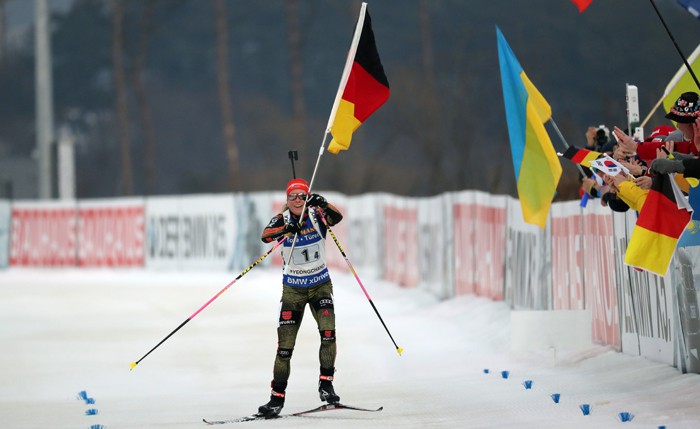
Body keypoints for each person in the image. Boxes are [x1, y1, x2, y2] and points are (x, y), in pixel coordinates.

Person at [257, 178, 344, 418]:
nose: (297, 200)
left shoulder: (317, 216)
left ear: (307, 197)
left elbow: (337, 218)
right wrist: (287, 230)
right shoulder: (282, 219)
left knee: (329, 334)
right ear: (287, 200)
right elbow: (265, 235)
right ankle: (276, 399)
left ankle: (326, 385)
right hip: (293, 290)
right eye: (292, 196)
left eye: (302, 196)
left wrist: (323, 203)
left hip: (320, 286)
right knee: (285, 348)